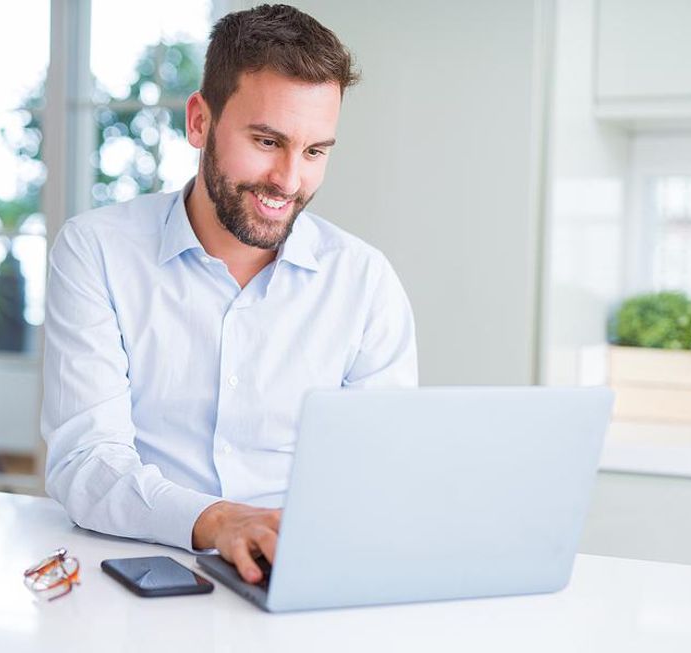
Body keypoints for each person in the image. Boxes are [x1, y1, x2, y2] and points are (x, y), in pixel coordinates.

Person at [41, 4, 417, 585]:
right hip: (135, 570)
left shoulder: (365, 281)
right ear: (199, 122)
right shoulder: (97, 251)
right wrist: (218, 522)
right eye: (268, 141)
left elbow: (382, 472)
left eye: (315, 151)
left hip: (301, 574)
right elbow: (87, 464)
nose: (290, 181)